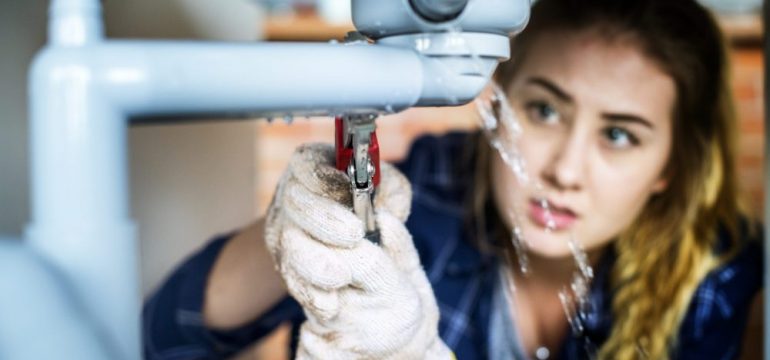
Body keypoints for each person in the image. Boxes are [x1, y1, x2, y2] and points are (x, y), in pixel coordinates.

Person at [142, 0, 763, 359]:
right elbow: (166, 334)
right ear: (498, 100)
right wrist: (284, 236)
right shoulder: (437, 187)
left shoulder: (709, 271)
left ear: (671, 167)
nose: (563, 171)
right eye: (544, 110)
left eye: (618, 135)